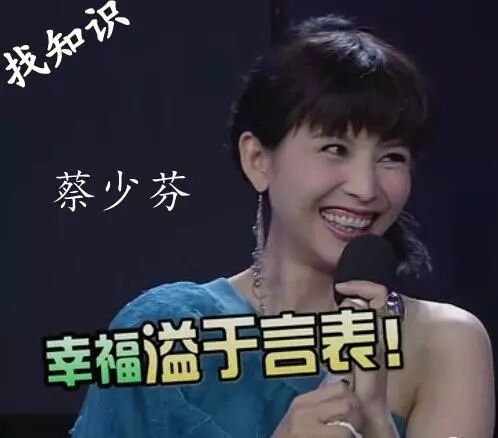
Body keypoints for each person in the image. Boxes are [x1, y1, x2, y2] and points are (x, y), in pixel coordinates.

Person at [70, 14, 495, 438]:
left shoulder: (444, 342)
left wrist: (377, 423)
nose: (365, 188)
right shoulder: (164, 331)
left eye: (392, 157)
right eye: (335, 148)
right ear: (258, 160)